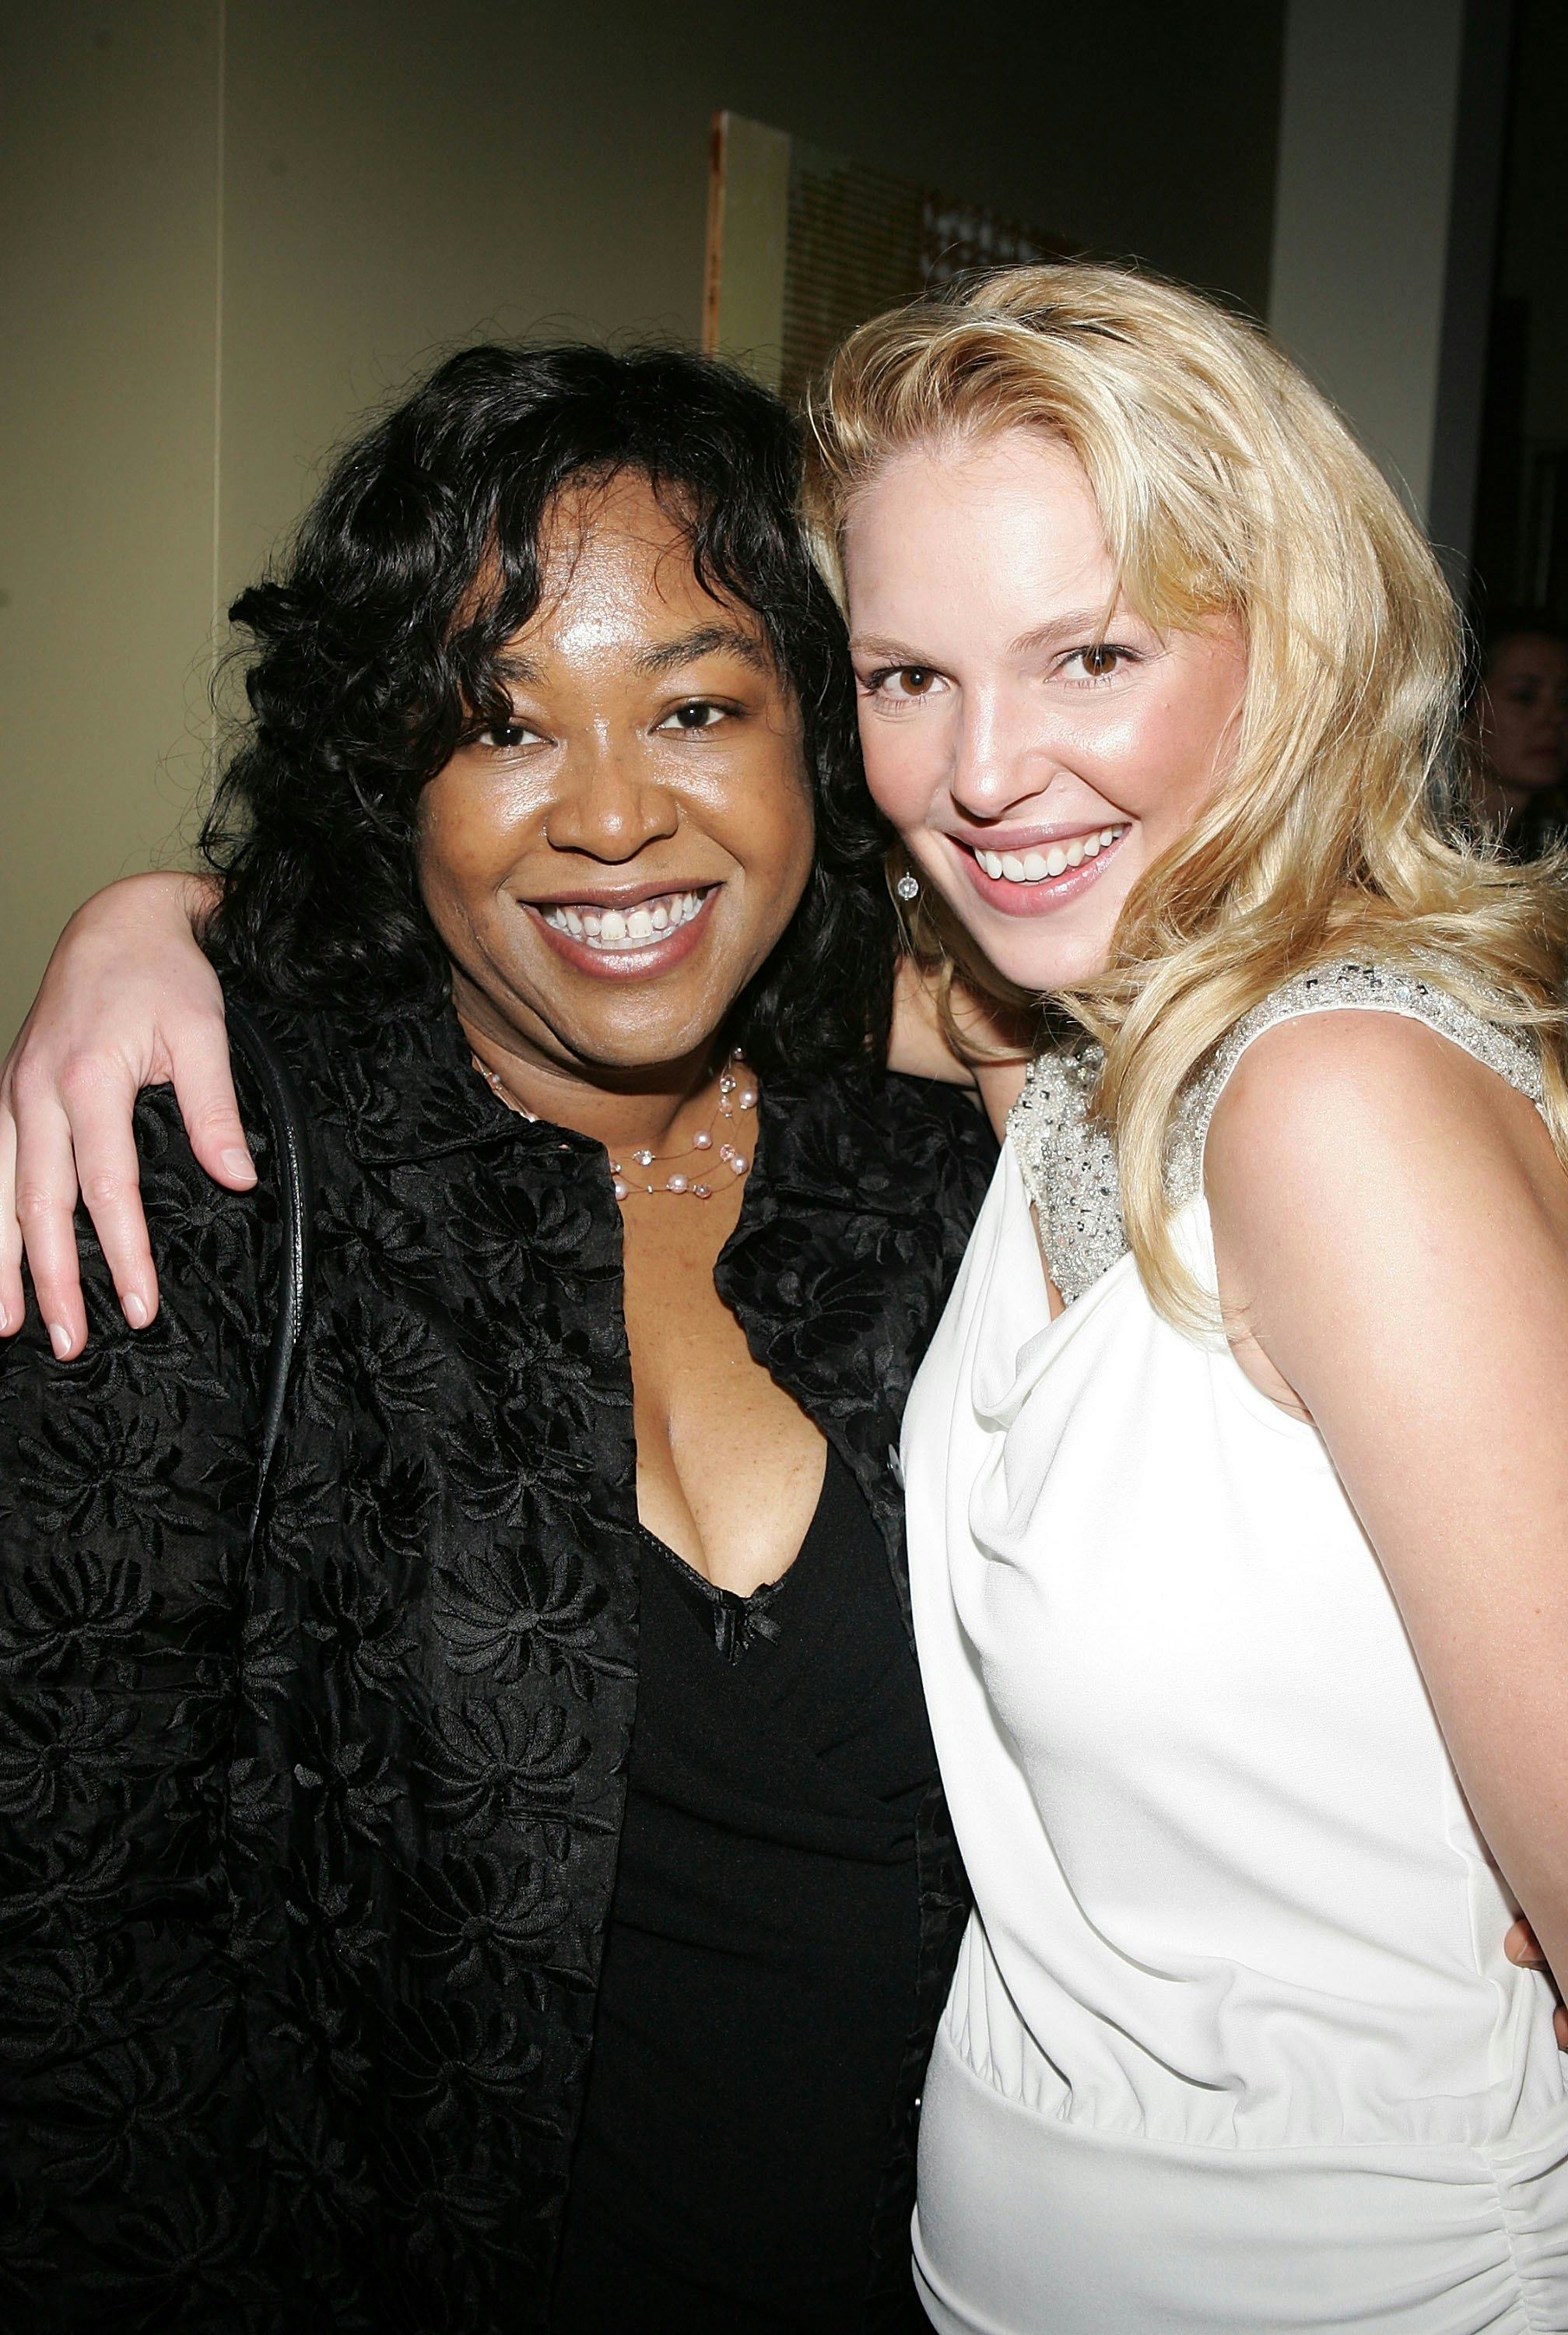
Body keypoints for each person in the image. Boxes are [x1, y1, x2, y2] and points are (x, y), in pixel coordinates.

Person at [0, 340, 998, 2333]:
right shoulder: (205, 1179)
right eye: (500, 724)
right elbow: (64, 1926)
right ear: (391, 777)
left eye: (695, 707)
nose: (612, 815)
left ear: (817, 735)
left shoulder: (946, 1166)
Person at [799, 262, 1568, 2333]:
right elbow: (622, 946)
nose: (980, 771)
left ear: (1285, 647)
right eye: (905, 676)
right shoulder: (1061, 1032)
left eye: (1088, 655)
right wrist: (172, 930)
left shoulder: (1329, 1104)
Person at [1465, 607, 1568, 852]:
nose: (1556, 717)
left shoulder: (1551, 841)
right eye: (1524, 696)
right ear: (1464, 705)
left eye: (1565, 700)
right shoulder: (1414, 841)